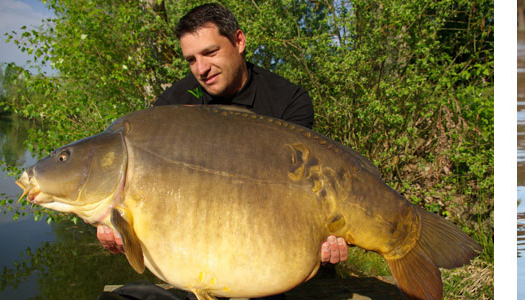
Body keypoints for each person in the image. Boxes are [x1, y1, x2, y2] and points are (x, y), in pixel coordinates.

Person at [95, 2, 348, 286]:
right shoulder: (173, 106)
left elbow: (306, 190)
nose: (201, 69)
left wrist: (328, 233)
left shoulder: (287, 101)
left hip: (273, 250)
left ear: (239, 41)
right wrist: (122, 229)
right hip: (201, 251)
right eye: (191, 60)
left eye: (210, 52)